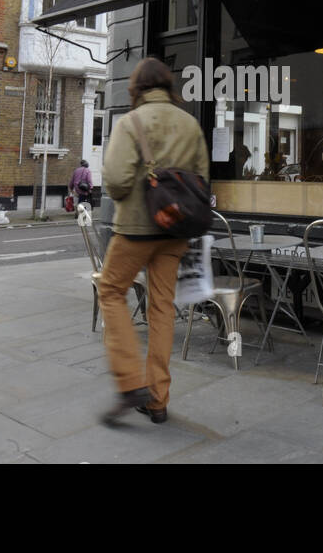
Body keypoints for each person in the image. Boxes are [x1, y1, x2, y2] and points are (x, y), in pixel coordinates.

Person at [97, 58, 209, 425]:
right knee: (162, 308)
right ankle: (158, 399)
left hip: (135, 229)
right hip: (175, 232)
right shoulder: (190, 124)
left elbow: (114, 180)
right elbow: (203, 179)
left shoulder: (130, 123)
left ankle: (131, 384)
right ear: (168, 85)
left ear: (137, 89)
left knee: (111, 291)